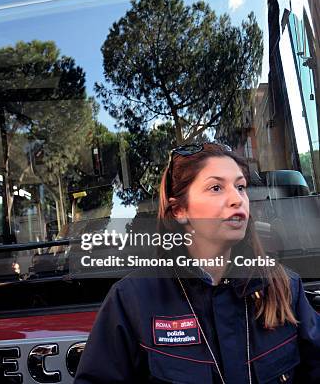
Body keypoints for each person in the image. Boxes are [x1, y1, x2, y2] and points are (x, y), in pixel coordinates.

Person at [74, 143, 320, 383]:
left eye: (241, 187)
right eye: (216, 188)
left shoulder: (284, 287)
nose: (237, 199)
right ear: (180, 210)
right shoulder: (132, 300)